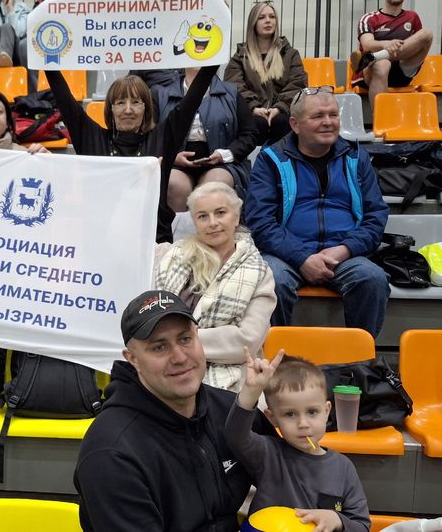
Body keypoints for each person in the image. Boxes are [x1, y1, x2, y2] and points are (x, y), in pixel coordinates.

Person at [74, 289, 274, 532]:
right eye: (159, 347)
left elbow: (296, 473)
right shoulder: (111, 452)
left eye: (185, 339)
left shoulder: (230, 412)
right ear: (132, 359)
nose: (179, 357)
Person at [245, 86, 390, 336]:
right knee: (272, 280)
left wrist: (345, 249)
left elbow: (375, 216)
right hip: (286, 255)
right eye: (318, 116)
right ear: (295, 124)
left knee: (372, 278)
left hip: (342, 254)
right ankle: (275, 357)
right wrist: (302, 258)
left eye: (333, 115)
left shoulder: (356, 157)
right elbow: (260, 222)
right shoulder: (271, 159)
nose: (328, 122)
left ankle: (361, 357)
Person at [46, 66, 217, 243]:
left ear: (146, 108)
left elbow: (194, 95)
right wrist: (45, 58)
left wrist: (213, 56)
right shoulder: (92, 139)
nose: (128, 110)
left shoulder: (163, 138)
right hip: (102, 242)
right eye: (120, 103)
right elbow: (63, 96)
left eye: (136, 102)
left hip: (152, 241)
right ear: (111, 109)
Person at [225, 349, 370, 531]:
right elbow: (235, 435)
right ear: (272, 418)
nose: (303, 424)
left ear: (326, 411)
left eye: (312, 412)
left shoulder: (343, 468)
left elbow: (362, 525)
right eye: (290, 414)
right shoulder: (267, 453)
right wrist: (250, 391)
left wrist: (336, 519)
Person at [154, 182, 275, 392]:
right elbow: (151, 318)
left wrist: (176, 342)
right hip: (166, 368)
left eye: (220, 213)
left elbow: (246, 341)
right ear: (194, 222)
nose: (212, 223)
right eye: (203, 216)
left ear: (236, 217)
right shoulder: (170, 258)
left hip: (231, 377)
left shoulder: (259, 272)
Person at [155, 67, 258, 212]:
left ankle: (215, 226)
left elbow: (250, 134)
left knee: (215, 184)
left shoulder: (232, 92)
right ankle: (176, 228)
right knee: (174, 185)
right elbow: (151, 137)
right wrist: (171, 157)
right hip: (175, 165)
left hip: (222, 164)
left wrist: (225, 154)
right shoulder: (161, 94)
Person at [224, 1, 308, 144]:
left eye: (272, 17)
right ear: (253, 23)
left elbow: (297, 83)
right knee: (258, 123)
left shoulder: (291, 54)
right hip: (252, 112)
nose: (268, 20)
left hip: (284, 112)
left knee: (282, 121)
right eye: (261, 17)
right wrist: (254, 107)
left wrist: (279, 108)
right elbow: (234, 86)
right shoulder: (240, 57)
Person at [350, 0, 434, 110]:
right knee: (383, 64)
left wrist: (390, 50)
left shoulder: (413, 17)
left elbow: (417, 45)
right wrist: (386, 44)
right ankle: (380, 119)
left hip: (403, 69)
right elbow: (367, 44)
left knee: (427, 34)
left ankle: (375, 56)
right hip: (374, 71)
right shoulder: (370, 18)